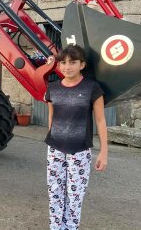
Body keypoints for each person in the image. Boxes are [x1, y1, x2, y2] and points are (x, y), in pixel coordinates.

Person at [44, 44, 108, 230]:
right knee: (55, 192)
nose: (67, 67)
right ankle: (55, 227)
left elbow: (101, 121)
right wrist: (53, 137)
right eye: (63, 62)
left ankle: (70, 227)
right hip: (55, 149)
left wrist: (104, 152)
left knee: (75, 195)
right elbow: (51, 116)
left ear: (82, 65)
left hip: (79, 151)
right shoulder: (53, 88)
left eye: (73, 62)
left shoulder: (92, 88)